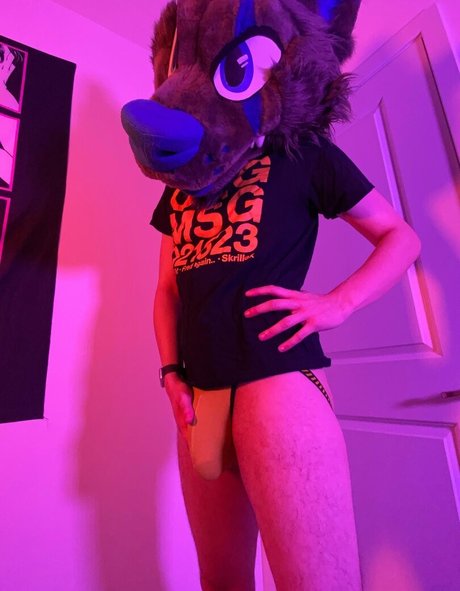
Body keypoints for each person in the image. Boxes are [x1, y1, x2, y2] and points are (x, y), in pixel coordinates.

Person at [121, 1, 422, 588]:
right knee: (221, 581)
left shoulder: (302, 155)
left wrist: (338, 303)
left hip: (276, 383)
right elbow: (167, 289)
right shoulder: (183, 187)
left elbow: (400, 238)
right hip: (197, 396)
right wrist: (170, 372)